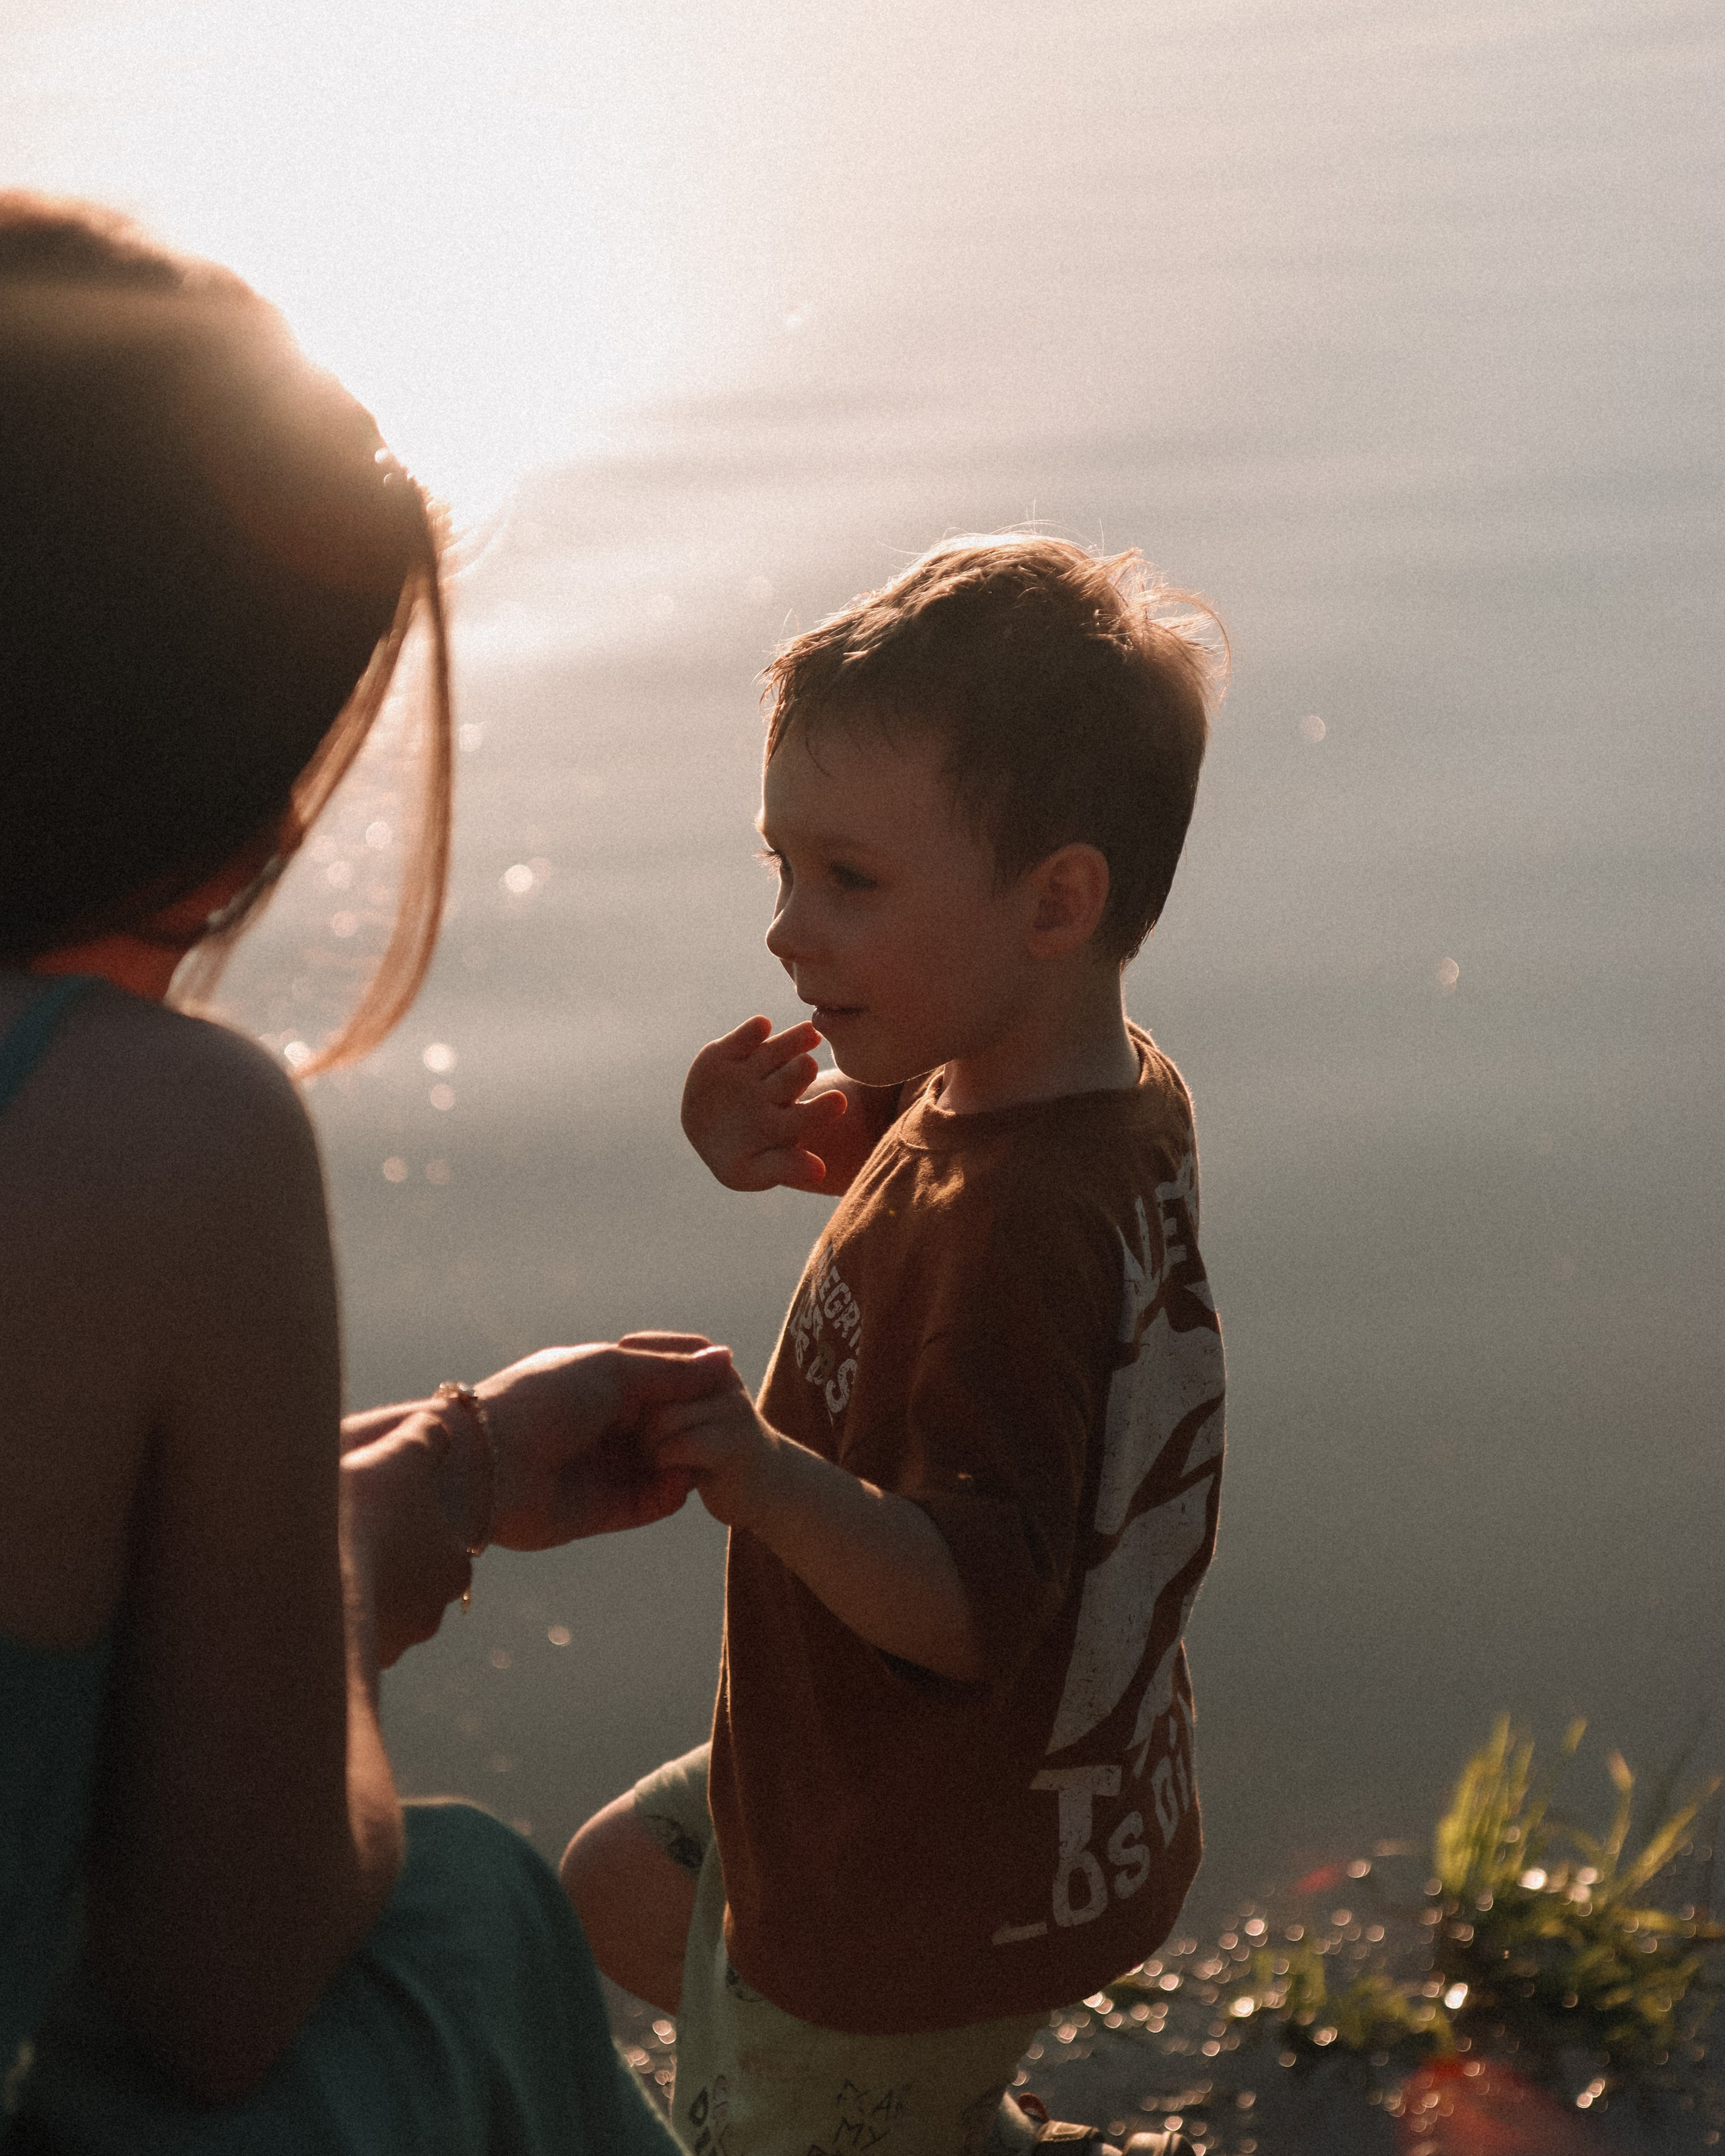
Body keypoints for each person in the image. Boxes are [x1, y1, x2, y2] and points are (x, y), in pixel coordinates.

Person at [0, 191, 728, 2153]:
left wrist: (434, 1473)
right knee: (472, 1922)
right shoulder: (151, 1132)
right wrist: (362, 1552)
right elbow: (223, 1979)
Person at [562, 536, 1228, 2156]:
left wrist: (760, 1475)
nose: (789, 933)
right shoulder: (1080, 1089)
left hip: (912, 1882)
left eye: (848, 881)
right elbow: (964, 1217)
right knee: (622, 1888)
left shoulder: (1023, 1236)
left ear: (1054, 901)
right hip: (931, 1786)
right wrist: (817, 1143)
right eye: (779, 867)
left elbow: (963, 1600)